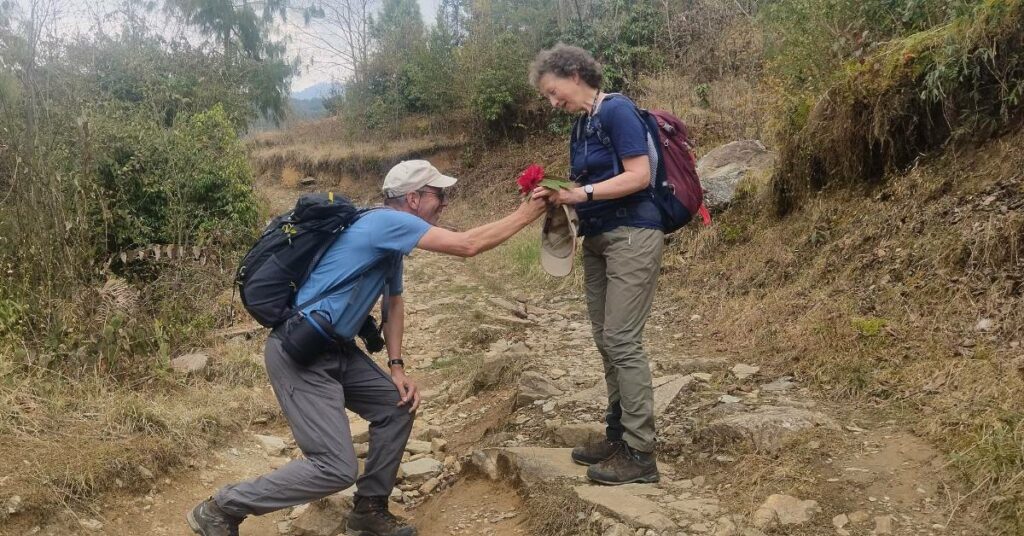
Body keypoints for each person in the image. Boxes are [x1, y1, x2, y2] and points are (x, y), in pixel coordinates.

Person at [188, 160, 548, 536]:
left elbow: (393, 303)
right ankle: (221, 507)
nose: (444, 202)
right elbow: (467, 245)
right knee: (335, 467)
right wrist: (528, 212)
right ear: (413, 198)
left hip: (335, 348)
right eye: (439, 194)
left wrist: (397, 367)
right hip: (300, 353)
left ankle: (370, 509)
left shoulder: (390, 240)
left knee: (396, 406)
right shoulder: (388, 222)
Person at [529, 44, 664, 485]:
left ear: (574, 74)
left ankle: (640, 454)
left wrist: (581, 194)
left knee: (622, 339)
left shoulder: (616, 110)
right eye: (547, 97)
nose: (553, 103)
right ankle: (618, 435)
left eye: (553, 92)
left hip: (632, 234)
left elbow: (639, 175)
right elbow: (588, 182)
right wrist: (556, 191)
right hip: (598, 238)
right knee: (606, 339)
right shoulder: (582, 126)